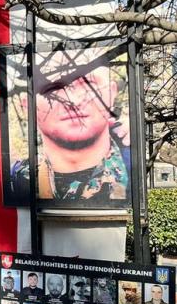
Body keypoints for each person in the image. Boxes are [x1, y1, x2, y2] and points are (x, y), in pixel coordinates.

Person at [9, 51, 129, 203]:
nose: (73, 101)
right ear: (27, 105)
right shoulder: (15, 181)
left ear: (112, 94)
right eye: (52, 89)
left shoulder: (136, 168)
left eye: (89, 85)